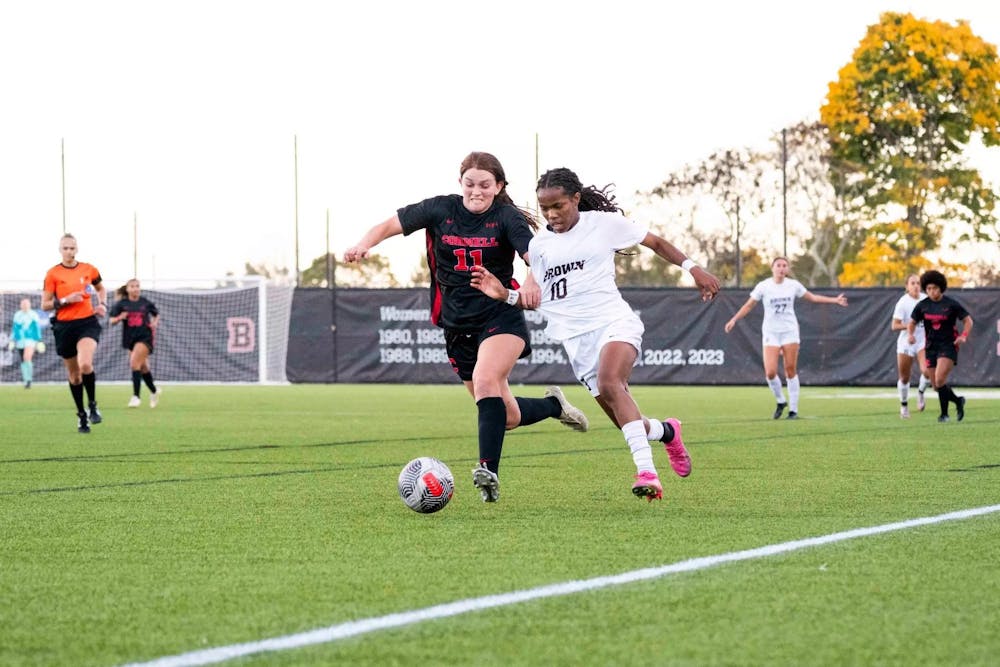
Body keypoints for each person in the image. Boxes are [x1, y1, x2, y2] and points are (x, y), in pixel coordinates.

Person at [344, 151, 589, 503]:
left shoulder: (505, 217)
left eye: (485, 185)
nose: (477, 191)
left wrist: (532, 280)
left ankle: (488, 472)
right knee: (505, 416)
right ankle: (553, 406)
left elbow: (538, 254)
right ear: (460, 184)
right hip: (456, 325)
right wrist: (363, 244)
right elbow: (388, 226)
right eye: (470, 183)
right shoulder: (440, 209)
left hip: (500, 316)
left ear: (499, 186)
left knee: (487, 381)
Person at [470, 167, 722, 502]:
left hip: (614, 324)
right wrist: (506, 296)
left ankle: (647, 473)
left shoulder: (603, 225)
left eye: (557, 205)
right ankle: (668, 431)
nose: (551, 214)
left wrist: (694, 268)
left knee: (610, 383)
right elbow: (543, 300)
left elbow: (656, 242)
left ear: (575, 199)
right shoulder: (541, 245)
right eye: (544, 208)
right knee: (625, 420)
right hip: (578, 344)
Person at [724, 257, 847, 420]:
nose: (781, 268)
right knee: (770, 372)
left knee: (790, 370)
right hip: (771, 332)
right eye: (778, 265)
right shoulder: (764, 286)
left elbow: (813, 298)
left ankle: (793, 410)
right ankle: (781, 401)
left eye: (784, 266)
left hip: (790, 332)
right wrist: (734, 319)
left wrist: (835, 300)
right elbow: (749, 305)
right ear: (772, 268)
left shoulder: (793, 285)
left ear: (787, 269)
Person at [42, 233, 108, 433]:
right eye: (65, 248)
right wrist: (65, 300)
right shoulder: (53, 274)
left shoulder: (88, 269)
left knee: (85, 363)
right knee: (75, 376)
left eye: (72, 248)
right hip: (64, 327)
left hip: (87, 322)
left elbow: (101, 288)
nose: (69, 251)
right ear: (60, 250)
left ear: (77, 249)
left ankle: (93, 405)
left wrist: (102, 304)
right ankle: (81, 415)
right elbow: (45, 305)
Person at [907, 270, 973, 423]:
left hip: (948, 345)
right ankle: (958, 401)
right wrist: (910, 335)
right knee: (937, 386)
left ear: (941, 288)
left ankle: (944, 415)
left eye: (935, 288)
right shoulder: (922, 305)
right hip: (930, 347)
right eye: (928, 289)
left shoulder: (951, 304)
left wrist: (963, 336)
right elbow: (911, 322)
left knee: (939, 378)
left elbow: (968, 321)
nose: (931, 292)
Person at [109, 279, 161, 408]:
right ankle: (154, 391)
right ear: (127, 289)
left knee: (134, 363)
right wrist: (120, 317)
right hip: (130, 339)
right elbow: (111, 320)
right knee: (143, 367)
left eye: (137, 286)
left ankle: (136, 397)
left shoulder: (145, 302)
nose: (135, 289)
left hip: (145, 337)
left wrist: (155, 322)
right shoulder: (122, 304)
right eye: (132, 286)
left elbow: (156, 314)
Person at [891, 274, 931, 418]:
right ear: (907, 286)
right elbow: (894, 325)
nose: (915, 286)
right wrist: (908, 326)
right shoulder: (903, 302)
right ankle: (904, 405)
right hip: (906, 342)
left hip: (922, 341)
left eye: (918, 283)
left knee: (927, 371)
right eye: (912, 283)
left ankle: (920, 393)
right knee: (904, 378)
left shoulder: (926, 299)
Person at [11, 298, 43, 388]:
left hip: (31, 340)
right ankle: (26, 379)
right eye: (23, 304)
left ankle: (29, 380)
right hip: (20, 341)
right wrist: (12, 340)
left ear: (29, 305)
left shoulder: (33, 314)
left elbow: (37, 328)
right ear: (20, 305)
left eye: (26, 304)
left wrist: (39, 340)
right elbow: (15, 328)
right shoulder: (17, 315)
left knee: (27, 357)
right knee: (23, 360)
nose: (25, 305)